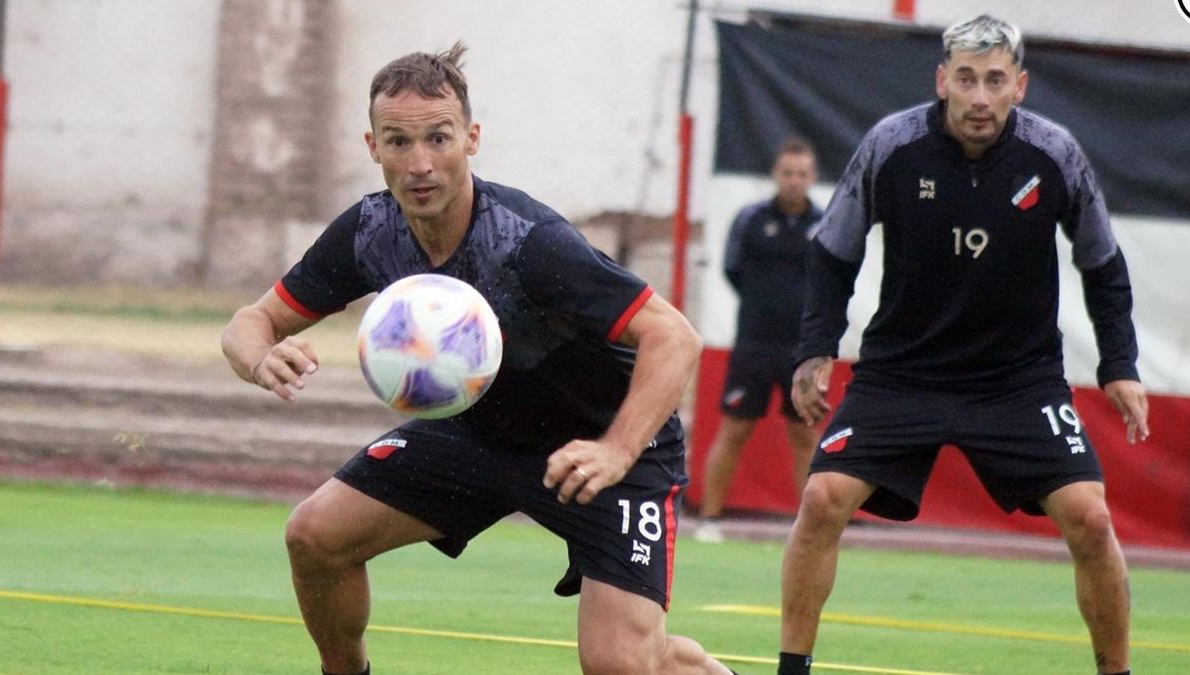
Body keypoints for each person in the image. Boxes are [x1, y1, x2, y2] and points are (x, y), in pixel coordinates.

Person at [220, 43, 737, 675]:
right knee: (314, 537)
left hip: (605, 449)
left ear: (471, 138)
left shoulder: (528, 242)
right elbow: (252, 322)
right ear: (372, 147)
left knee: (622, 666)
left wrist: (617, 449)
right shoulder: (369, 232)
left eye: (438, 139)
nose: (420, 164)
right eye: (399, 142)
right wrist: (258, 358)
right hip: (475, 436)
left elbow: (673, 336)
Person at [777, 15, 1149, 675]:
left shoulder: (1055, 154)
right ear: (942, 79)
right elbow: (832, 253)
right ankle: (792, 669)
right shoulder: (891, 145)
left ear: (1020, 86)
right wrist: (816, 348)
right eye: (968, 79)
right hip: (901, 374)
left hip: (1018, 381)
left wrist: (1119, 364)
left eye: (996, 80)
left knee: (1091, 519)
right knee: (820, 499)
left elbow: (1103, 262)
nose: (980, 97)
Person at [695, 138, 823, 544]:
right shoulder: (751, 219)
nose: (794, 181)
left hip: (802, 350)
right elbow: (732, 269)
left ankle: (809, 528)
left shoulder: (825, 224)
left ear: (812, 178)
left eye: (802, 174)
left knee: (804, 435)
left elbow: (834, 280)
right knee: (735, 428)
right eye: (787, 173)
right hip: (754, 345)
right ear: (775, 175)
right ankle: (709, 520)